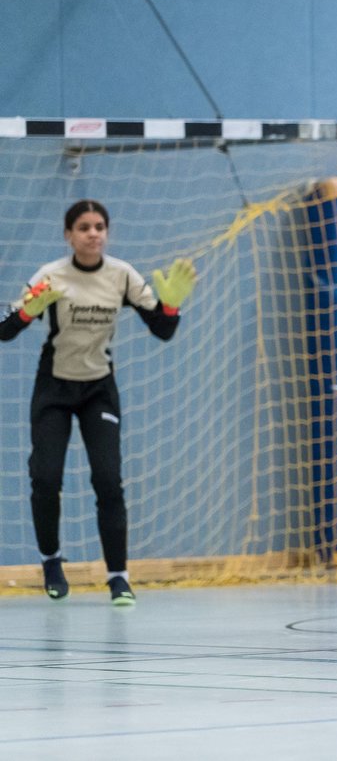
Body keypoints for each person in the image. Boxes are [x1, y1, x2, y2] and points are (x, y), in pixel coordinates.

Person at [0, 200, 196, 606]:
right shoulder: (51, 275)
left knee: (108, 479)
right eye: (84, 227)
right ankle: (51, 563)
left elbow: (161, 330)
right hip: (54, 387)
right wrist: (24, 315)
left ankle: (118, 577)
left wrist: (171, 306)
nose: (93, 233)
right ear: (68, 235)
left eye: (100, 226)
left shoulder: (122, 275)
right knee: (46, 477)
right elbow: (4, 331)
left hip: (97, 389)